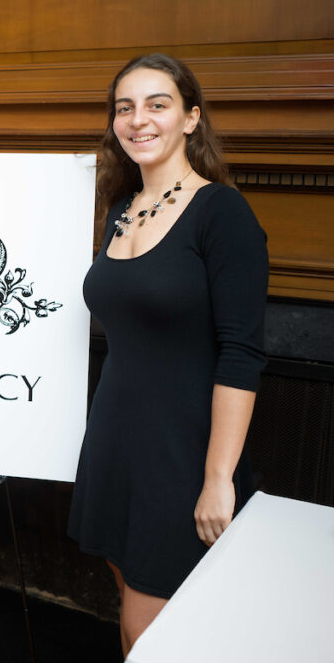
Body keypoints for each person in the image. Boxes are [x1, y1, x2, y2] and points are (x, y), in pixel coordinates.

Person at [67, 53, 268, 657]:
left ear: (190, 119)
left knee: (149, 635)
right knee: (135, 603)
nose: (139, 119)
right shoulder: (121, 210)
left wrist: (217, 479)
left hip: (182, 456)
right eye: (125, 108)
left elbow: (241, 353)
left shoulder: (221, 213)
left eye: (158, 104)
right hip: (115, 442)